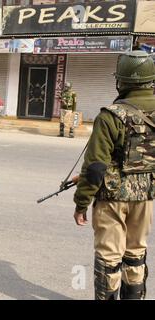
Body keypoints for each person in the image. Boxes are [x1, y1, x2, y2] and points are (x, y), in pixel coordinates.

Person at [73, 50, 155, 300]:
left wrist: (81, 203)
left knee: (109, 258)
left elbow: (96, 167)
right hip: (146, 197)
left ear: (121, 81)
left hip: (112, 199)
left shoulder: (111, 116)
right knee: (136, 254)